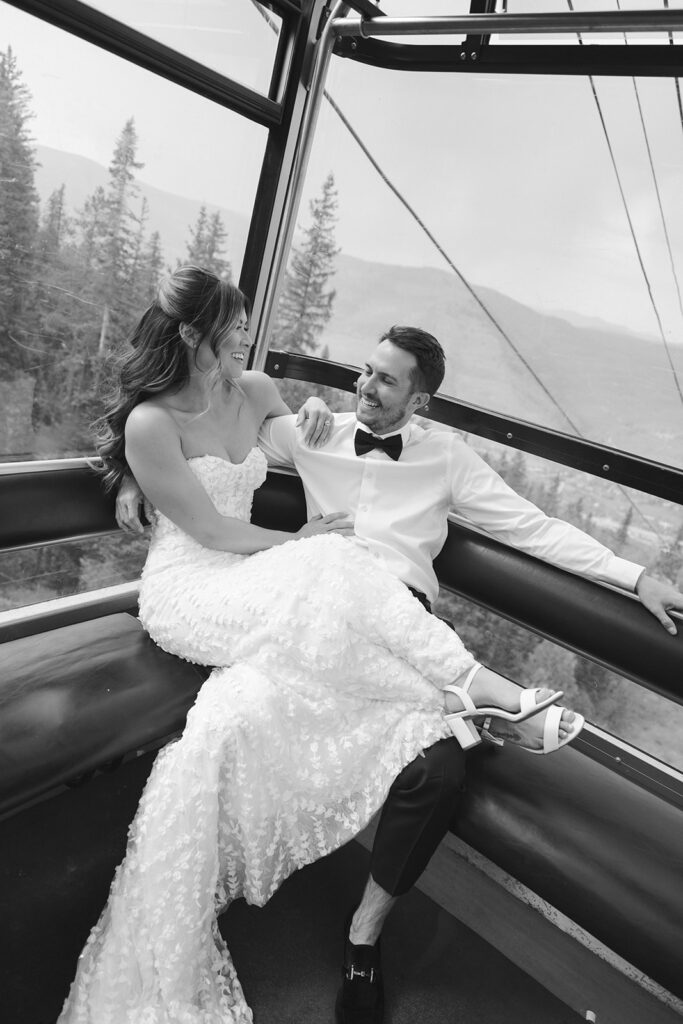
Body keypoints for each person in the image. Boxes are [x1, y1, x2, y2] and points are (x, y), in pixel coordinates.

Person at [113, 275, 683, 1024]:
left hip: (388, 613)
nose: (364, 389)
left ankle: (363, 936)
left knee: (437, 769)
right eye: (364, 372)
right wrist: (134, 474)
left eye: (385, 382)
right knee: (234, 722)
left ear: (419, 401)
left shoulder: (443, 460)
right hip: (307, 596)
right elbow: (216, 457)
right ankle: (472, 696)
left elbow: (533, 529)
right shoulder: (312, 432)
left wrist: (633, 572)